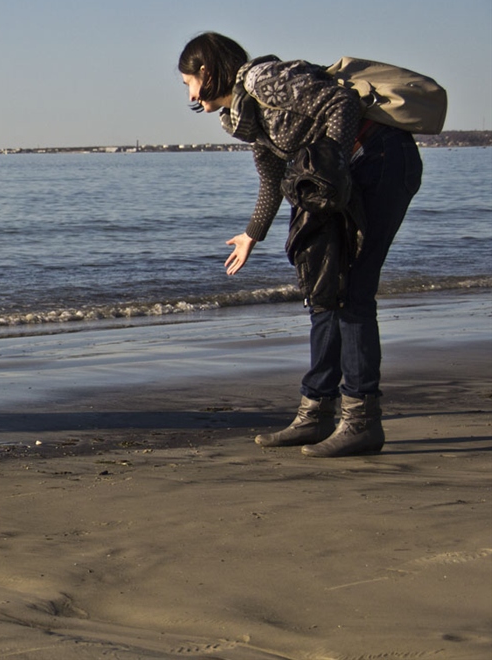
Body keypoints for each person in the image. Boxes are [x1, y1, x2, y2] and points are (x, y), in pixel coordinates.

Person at [178, 32, 423, 457]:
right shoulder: (243, 114)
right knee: (323, 291)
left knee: (353, 291)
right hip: (346, 171)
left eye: (187, 82)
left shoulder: (262, 80)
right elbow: (272, 178)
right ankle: (316, 414)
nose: (189, 93)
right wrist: (253, 233)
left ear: (206, 72)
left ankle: (362, 422)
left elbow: (340, 104)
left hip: (379, 159)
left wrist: (333, 167)